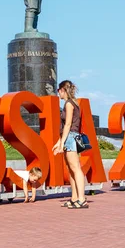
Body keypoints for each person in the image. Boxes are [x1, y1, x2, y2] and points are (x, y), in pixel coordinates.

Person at [52, 80, 89, 209]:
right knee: (71, 170)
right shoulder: (73, 103)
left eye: (58, 91)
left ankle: (82, 199)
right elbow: (65, 127)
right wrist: (59, 142)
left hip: (71, 138)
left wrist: (62, 143)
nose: (58, 94)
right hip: (69, 137)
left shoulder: (69, 104)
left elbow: (68, 124)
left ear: (63, 90)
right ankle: (74, 198)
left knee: (76, 168)